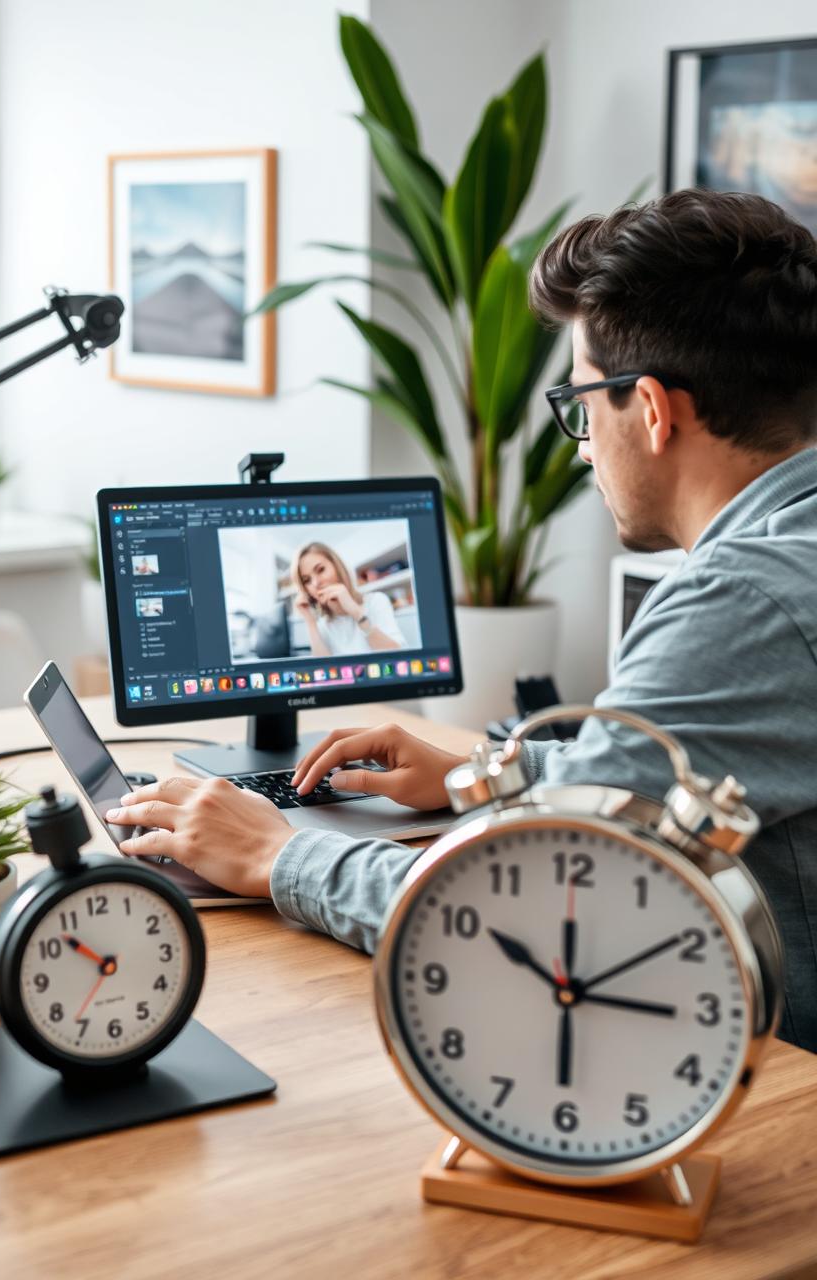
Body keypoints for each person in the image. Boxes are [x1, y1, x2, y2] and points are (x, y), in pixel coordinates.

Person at [106, 189, 817, 1052]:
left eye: (582, 408)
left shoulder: (743, 600)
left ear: (656, 412)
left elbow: (520, 906)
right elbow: (695, 772)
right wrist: (479, 775)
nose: (584, 446)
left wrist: (276, 856)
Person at [291, 540, 404, 655]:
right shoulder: (323, 625)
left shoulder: (376, 601)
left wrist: (356, 612)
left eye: (321, 570)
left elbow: (398, 657)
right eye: (307, 580)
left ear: (337, 567)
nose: (316, 583)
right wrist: (310, 622)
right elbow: (322, 670)